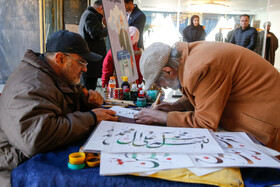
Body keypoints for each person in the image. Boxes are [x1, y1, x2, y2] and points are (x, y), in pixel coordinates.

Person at [0, 30, 118, 186]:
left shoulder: (57, 75)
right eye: (81, 62)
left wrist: (86, 101)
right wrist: (91, 117)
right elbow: (36, 138)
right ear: (60, 58)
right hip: (18, 167)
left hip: (40, 155)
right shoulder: (30, 85)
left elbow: (66, 101)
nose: (85, 69)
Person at [134, 41, 280, 152]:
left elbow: (204, 124)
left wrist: (162, 117)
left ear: (168, 71)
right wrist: (177, 105)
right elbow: (207, 91)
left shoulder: (200, 68)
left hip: (266, 123)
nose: (160, 87)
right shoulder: (187, 58)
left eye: (158, 82)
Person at [79, 0, 108, 90]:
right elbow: (96, 34)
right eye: (105, 11)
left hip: (92, 60)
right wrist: (110, 29)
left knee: (90, 86)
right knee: (89, 88)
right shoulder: (90, 16)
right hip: (91, 60)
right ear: (101, 8)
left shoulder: (88, 14)